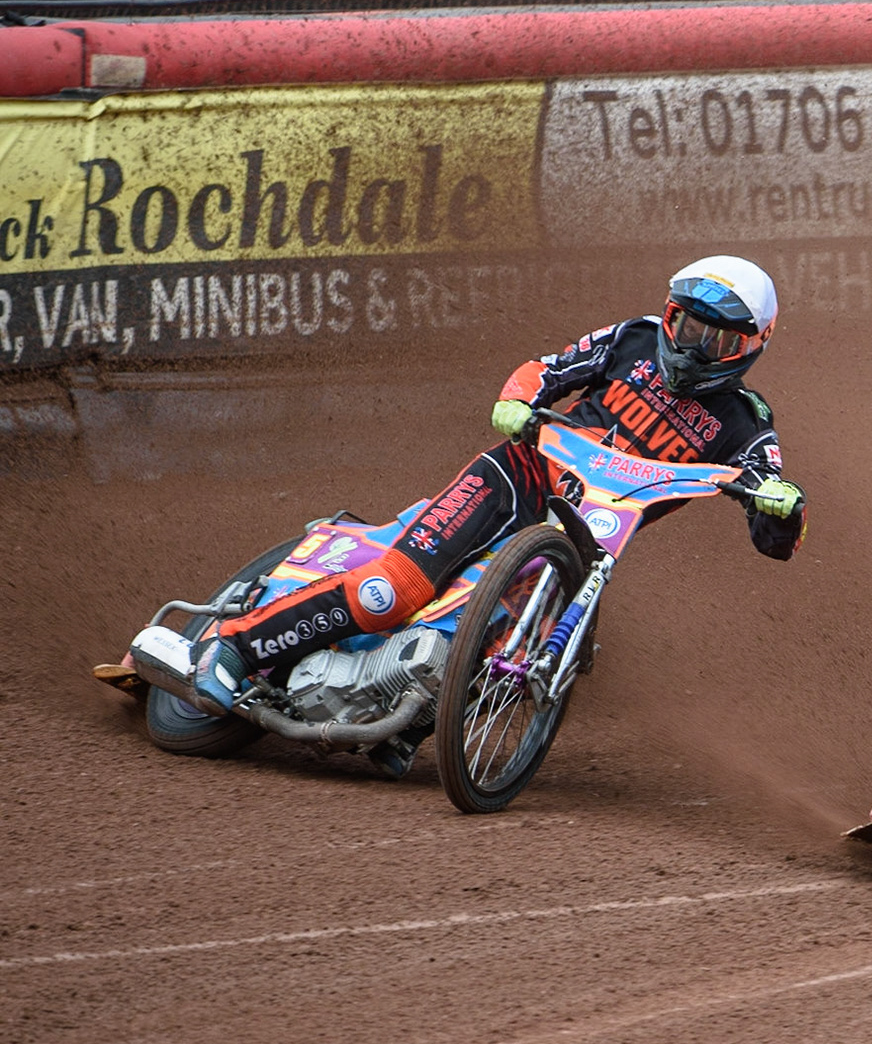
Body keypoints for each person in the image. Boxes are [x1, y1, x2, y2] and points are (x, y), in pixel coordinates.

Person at [173, 255, 807, 716]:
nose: (692, 348)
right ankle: (233, 648)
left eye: (714, 337)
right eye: (684, 324)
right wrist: (517, 399)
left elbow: (776, 528)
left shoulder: (746, 423)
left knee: (472, 646)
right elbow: (546, 370)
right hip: (519, 476)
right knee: (387, 593)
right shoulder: (633, 338)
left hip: (586, 539)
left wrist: (780, 505)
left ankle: (407, 716)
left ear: (751, 346)